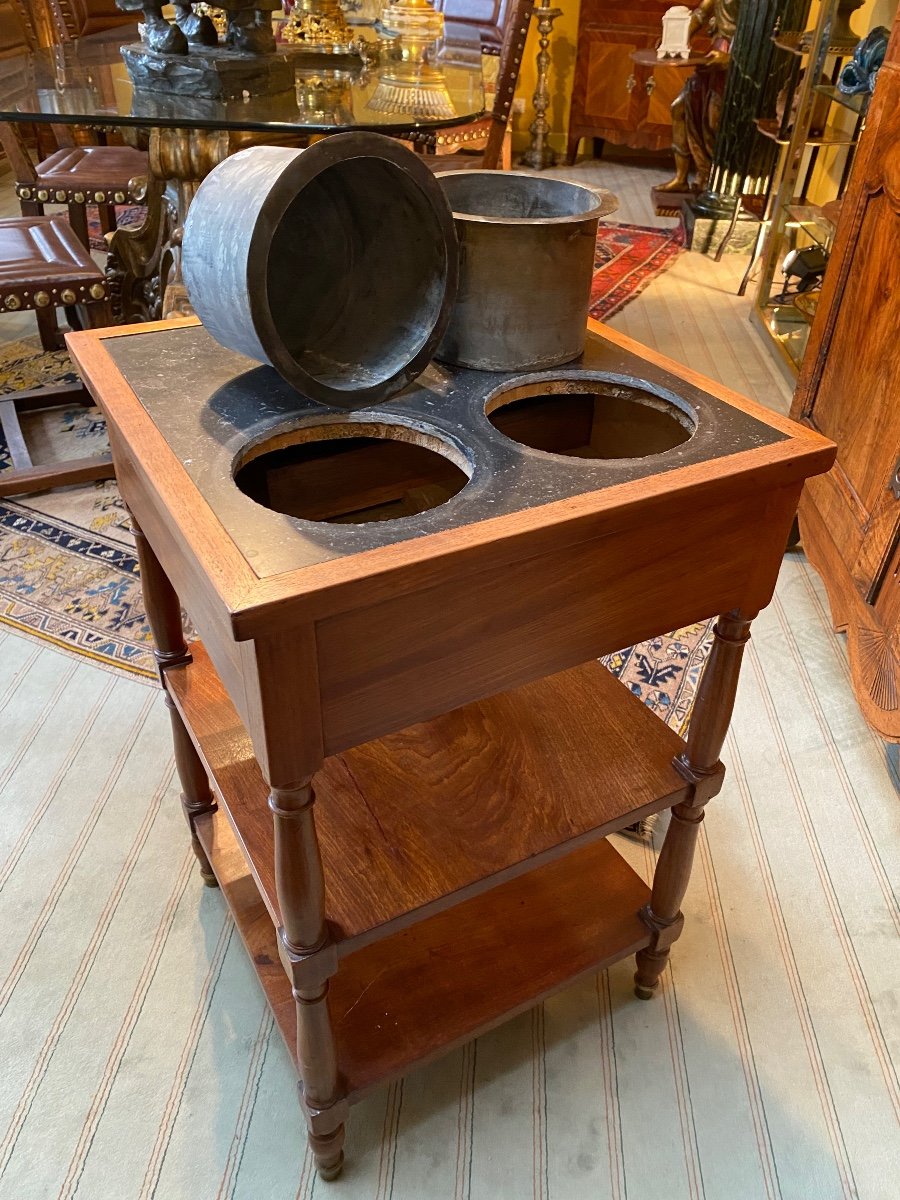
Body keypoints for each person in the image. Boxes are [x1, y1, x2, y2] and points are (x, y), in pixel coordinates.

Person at [657, 0, 740, 194]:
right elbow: (701, 14)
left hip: (734, 60)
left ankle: (712, 181)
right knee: (680, 107)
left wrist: (732, 58)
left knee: (714, 122)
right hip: (716, 53)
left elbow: (759, 35)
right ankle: (681, 178)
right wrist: (672, 40)